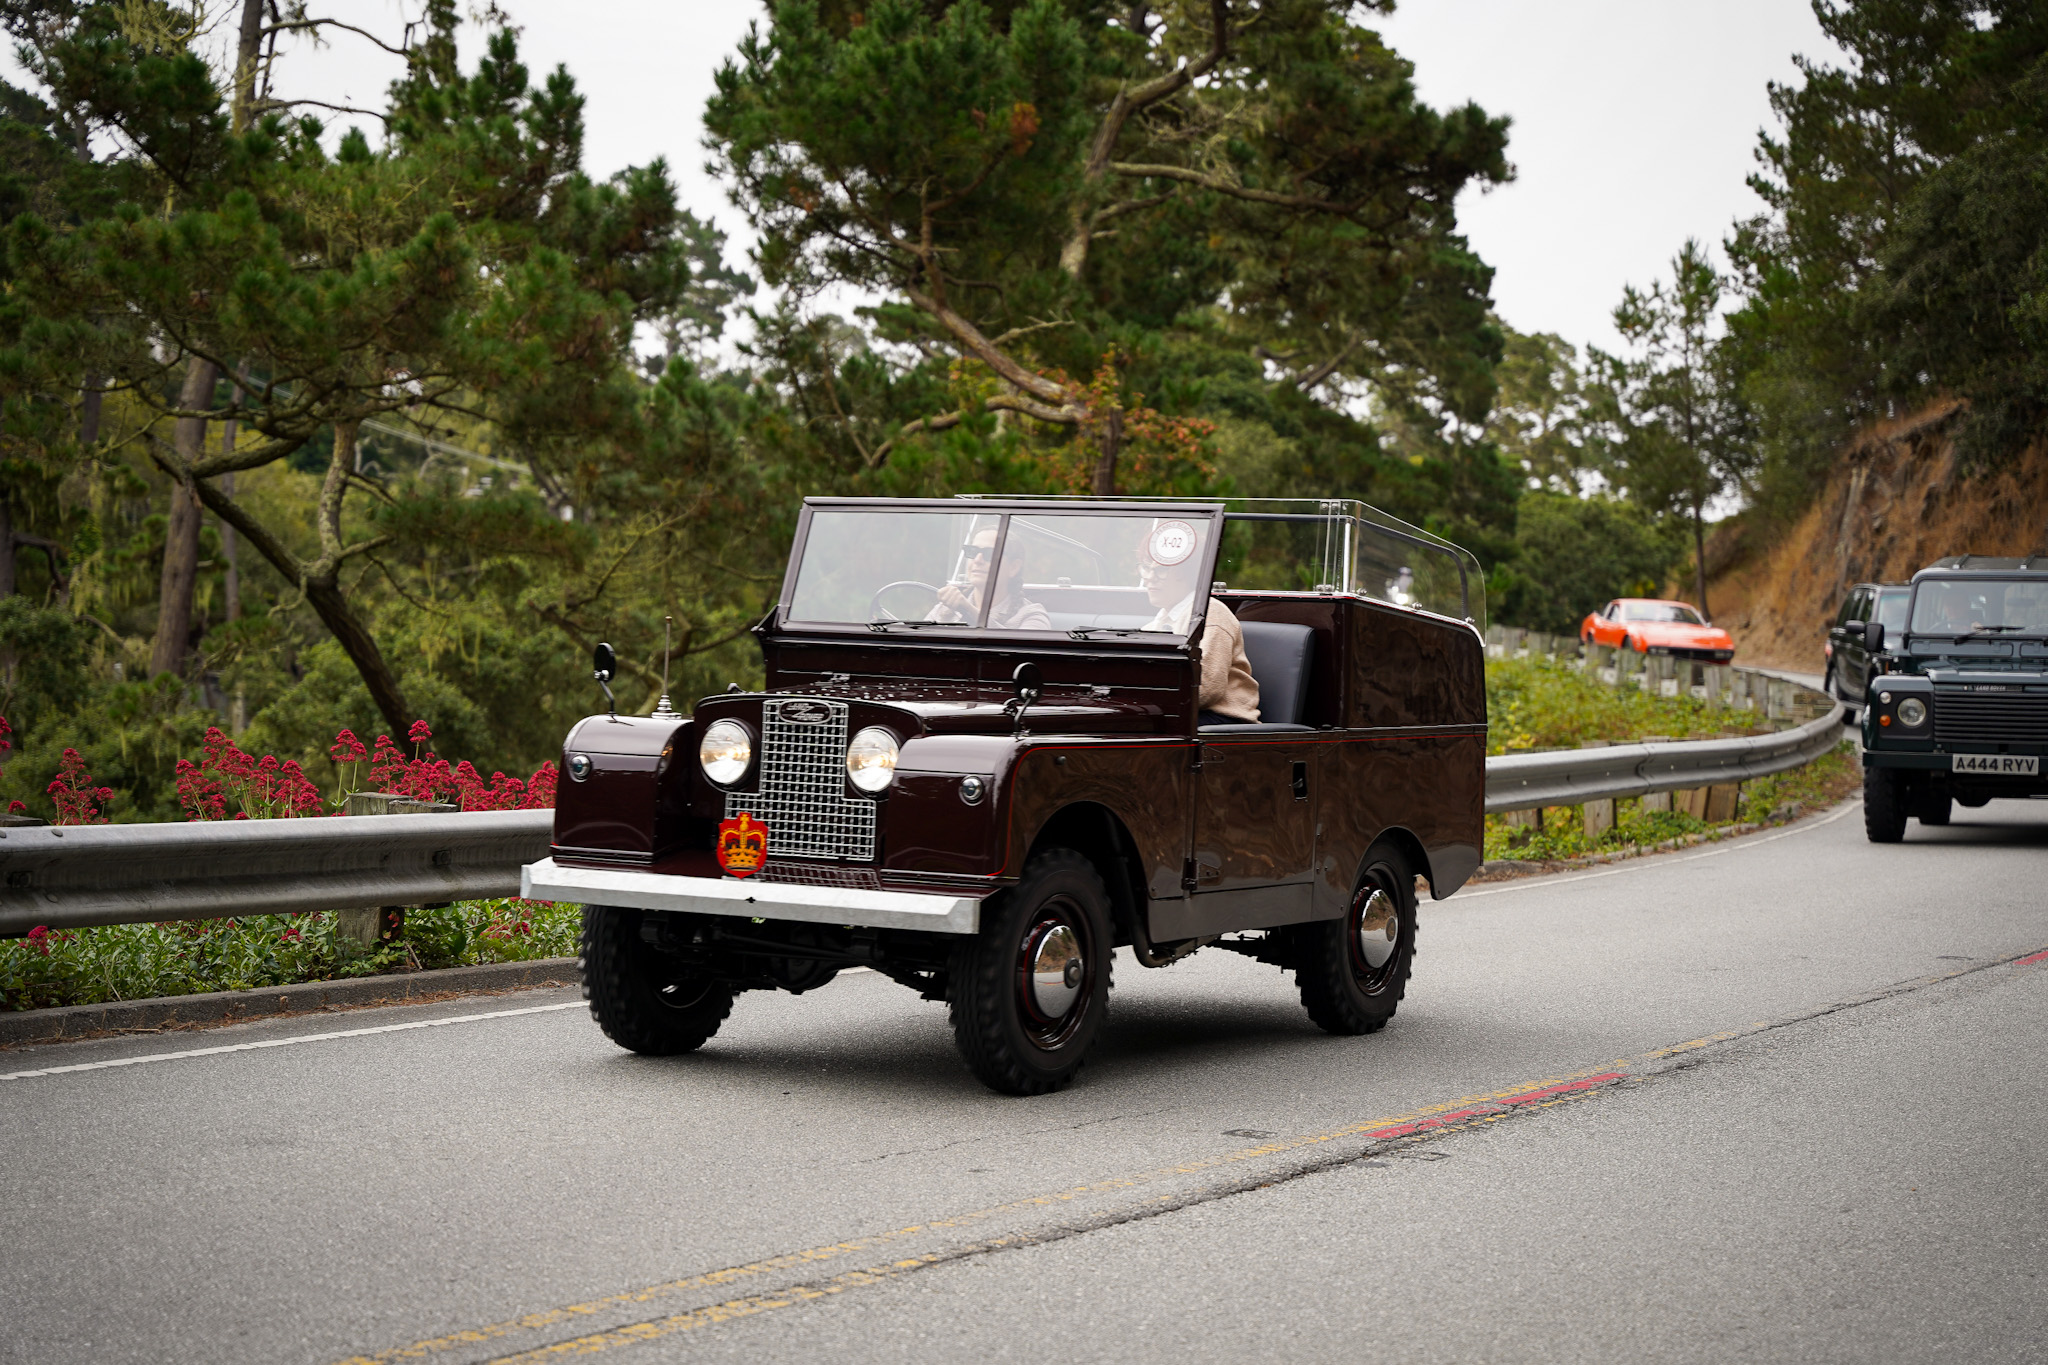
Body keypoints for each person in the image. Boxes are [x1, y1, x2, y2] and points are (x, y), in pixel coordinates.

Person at [1138, 540, 1260, 725]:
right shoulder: (1158, 621)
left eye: (1161, 570)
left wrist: (1146, 703)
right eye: (1145, 568)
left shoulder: (1210, 613)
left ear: (1187, 575)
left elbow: (1207, 689)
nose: (1149, 577)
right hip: (1180, 710)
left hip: (1223, 717)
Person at [928, 526, 1052, 630]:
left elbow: (1021, 653)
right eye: (973, 551)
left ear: (1013, 567)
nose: (977, 560)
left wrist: (968, 610)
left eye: (990, 554)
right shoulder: (944, 609)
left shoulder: (1032, 615)